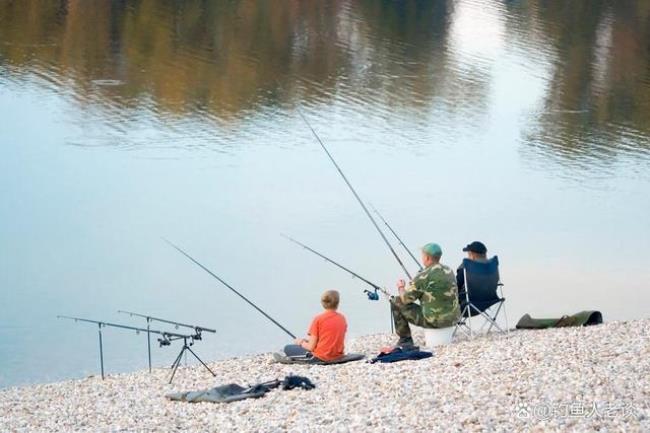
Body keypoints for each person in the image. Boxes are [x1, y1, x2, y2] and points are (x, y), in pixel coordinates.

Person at [391, 243, 460, 348]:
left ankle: (405, 339)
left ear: (427, 257)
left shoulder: (423, 276)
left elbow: (405, 299)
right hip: (453, 318)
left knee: (396, 301)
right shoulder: (449, 271)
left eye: (422, 255)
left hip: (434, 321)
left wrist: (401, 287)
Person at [281, 289, 347, 362]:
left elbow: (310, 348)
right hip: (337, 356)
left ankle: (301, 357)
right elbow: (330, 337)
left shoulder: (318, 319)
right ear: (338, 303)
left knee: (287, 348)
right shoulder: (342, 318)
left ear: (322, 303)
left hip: (321, 357)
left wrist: (301, 342)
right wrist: (307, 341)